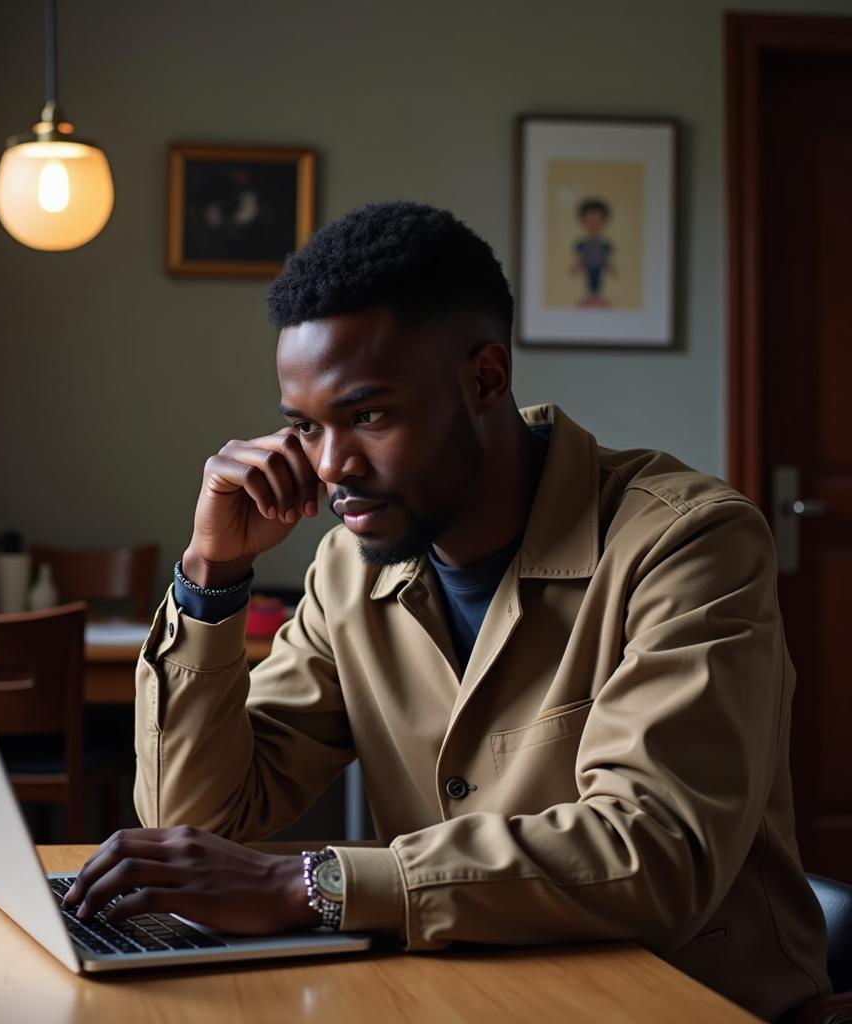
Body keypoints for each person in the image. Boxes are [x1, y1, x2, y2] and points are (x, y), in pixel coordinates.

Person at [65, 200, 828, 1021]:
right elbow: (198, 818)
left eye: (368, 416)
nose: (332, 466)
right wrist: (211, 574)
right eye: (306, 428)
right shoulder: (347, 571)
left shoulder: (687, 542)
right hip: (464, 995)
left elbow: (656, 852)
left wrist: (308, 885)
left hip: (683, 1002)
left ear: (485, 379)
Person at [571, 197, 616, 306]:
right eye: (590, 218)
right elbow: (580, 257)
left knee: (599, 281)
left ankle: (597, 298)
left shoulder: (604, 244)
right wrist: (577, 266)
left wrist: (611, 267)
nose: (594, 222)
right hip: (589, 265)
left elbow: (606, 258)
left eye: (597, 218)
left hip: (599, 266)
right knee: (589, 281)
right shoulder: (583, 243)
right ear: (583, 221)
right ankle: (590, 298)